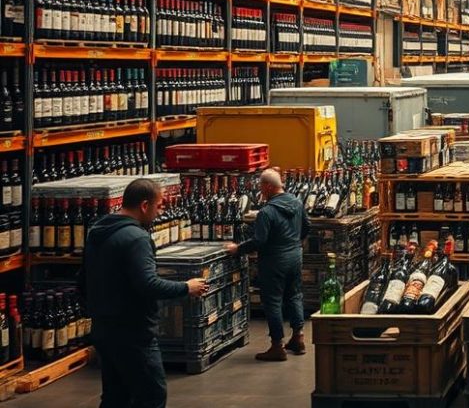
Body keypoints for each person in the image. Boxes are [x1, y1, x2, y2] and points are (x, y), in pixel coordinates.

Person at [79, 178, 208, 408]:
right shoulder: (137, 238)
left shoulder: (97, 232)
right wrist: (186, 288)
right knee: (152, 395)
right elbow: (147, 284)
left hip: (104, 329)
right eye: (159, 206)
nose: (160, 212)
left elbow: (82, 280)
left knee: (115, 396)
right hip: (133, 333)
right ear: (144, 205)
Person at [225, 168, 310, 362]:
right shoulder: (297, 203)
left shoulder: (267, 212)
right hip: (295, 256)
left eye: (261, 187)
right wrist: (295, 243)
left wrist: (237, 248)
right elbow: (307, 227)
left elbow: (259, 241)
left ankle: (277, 346)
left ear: (268, 186)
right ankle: (298, 338)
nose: (260, 191)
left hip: (274, 260)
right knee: (295, 295)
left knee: (273, 301)